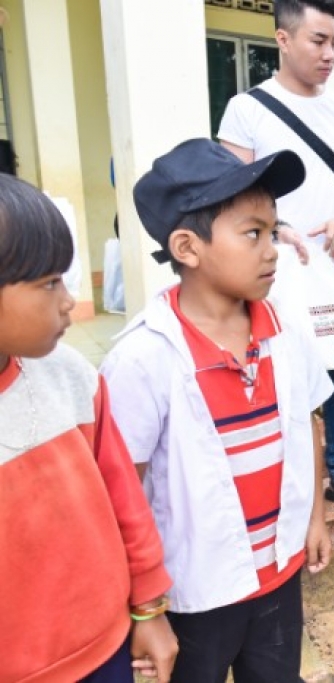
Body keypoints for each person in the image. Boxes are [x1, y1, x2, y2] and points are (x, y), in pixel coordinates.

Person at [100, 139, 334, 682]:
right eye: (252, 233)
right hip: (193, 595)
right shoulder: (141, 360)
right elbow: (122, 492)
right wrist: (146, 609)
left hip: (277, 576)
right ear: (187, 246)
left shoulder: (286, 332)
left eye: (273, 232)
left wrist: (316, 516)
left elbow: (309, 426)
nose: (271, 248)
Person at [0, 174, 177, 683]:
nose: (66, 301)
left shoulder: (73, 377)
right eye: (48, 282)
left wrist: (148, 607)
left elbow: (125, 499)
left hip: (106, 649)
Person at [218, 0, 334, 519]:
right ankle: (284, 483)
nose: (330, 53)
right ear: (283, 39)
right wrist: (280, 228)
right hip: (275, 279)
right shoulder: (247, 110)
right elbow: (232, 191)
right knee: (279, 378)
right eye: (319, 41)